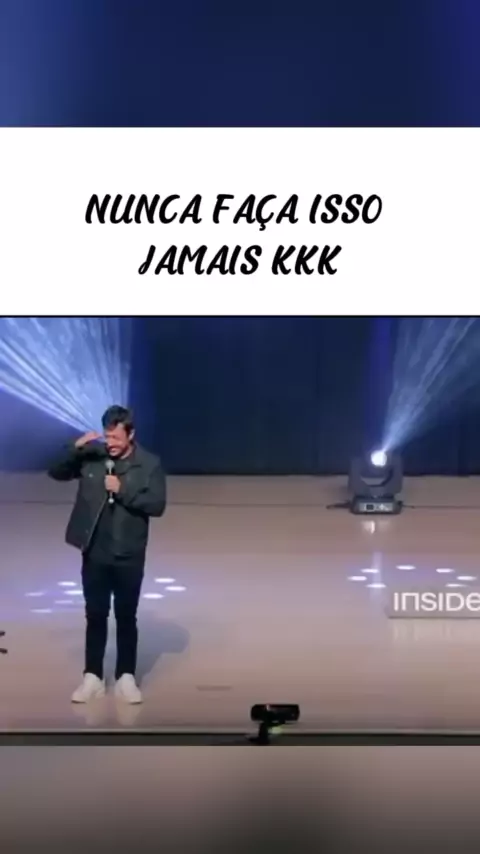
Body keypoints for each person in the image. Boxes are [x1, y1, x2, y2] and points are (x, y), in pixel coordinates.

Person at [48, 405, 166, 704]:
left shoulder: (149, 464)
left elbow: (157, 505)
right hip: (95, 552)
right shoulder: (93, 456)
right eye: (107, 436)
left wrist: (122, 489)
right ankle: (93, 677)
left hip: (129, 554)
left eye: (116, 437)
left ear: (131, 434)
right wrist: (75, 447)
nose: (110, 443)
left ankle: (126, 676)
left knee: (126, 616)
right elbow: (56, 471)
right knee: (95, 615)